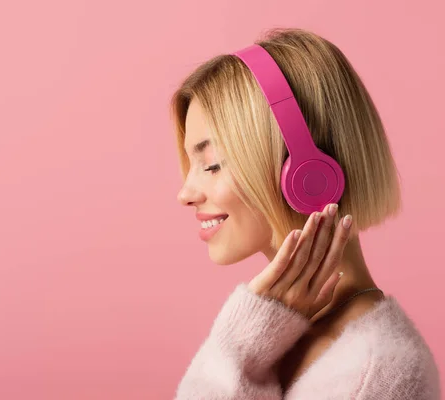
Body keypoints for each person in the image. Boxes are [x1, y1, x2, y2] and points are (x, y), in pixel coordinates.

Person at [170, 28, 440, 399]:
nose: (185, 194)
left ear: (307, 174)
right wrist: (240, 346)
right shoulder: (266, 334)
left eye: (212, 164)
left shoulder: (374, 375)